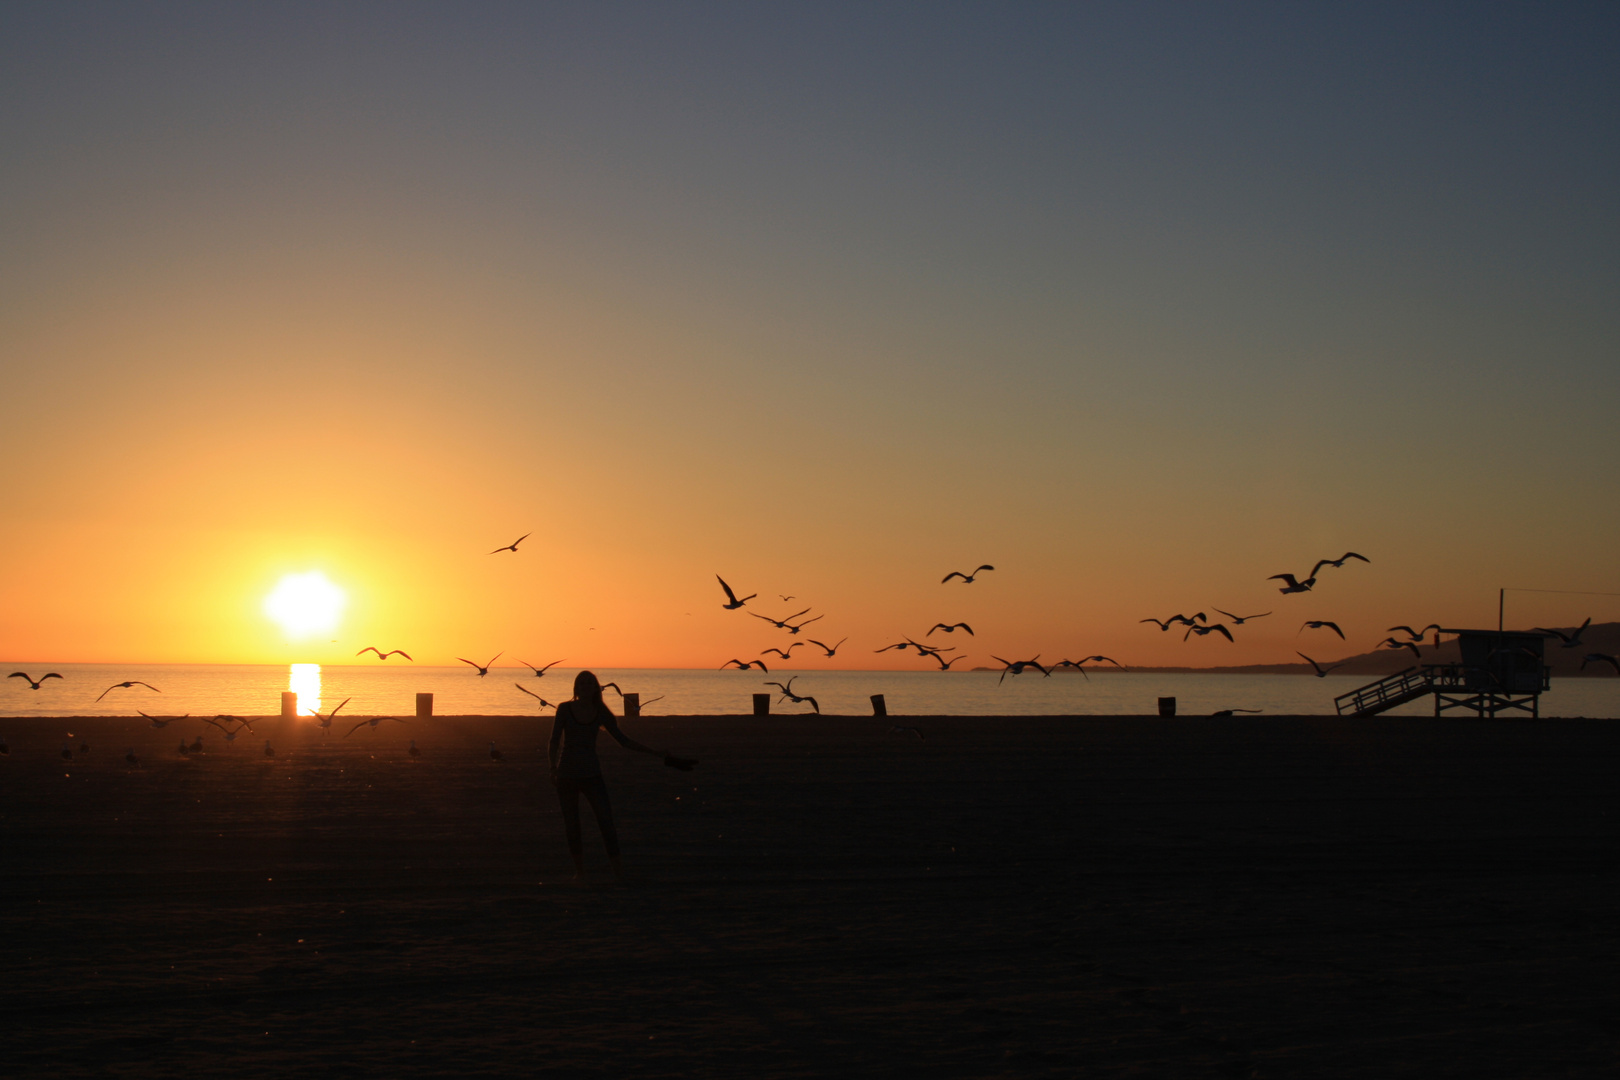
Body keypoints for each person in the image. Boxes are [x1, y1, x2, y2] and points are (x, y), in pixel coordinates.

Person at [548, 670, 678, 881]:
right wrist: (552, 768)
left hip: (592, 775)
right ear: (575, 688)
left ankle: (618, 872)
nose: (585, 686)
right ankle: (580, 872)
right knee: (572, 824)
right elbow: (554, 740)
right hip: (567, 775)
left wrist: (655, 752)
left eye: (589, 683)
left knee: (605, 822)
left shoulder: (601, 713)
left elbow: (623, 740)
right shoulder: (564, 709)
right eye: (581, 683)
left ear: (595, 688)